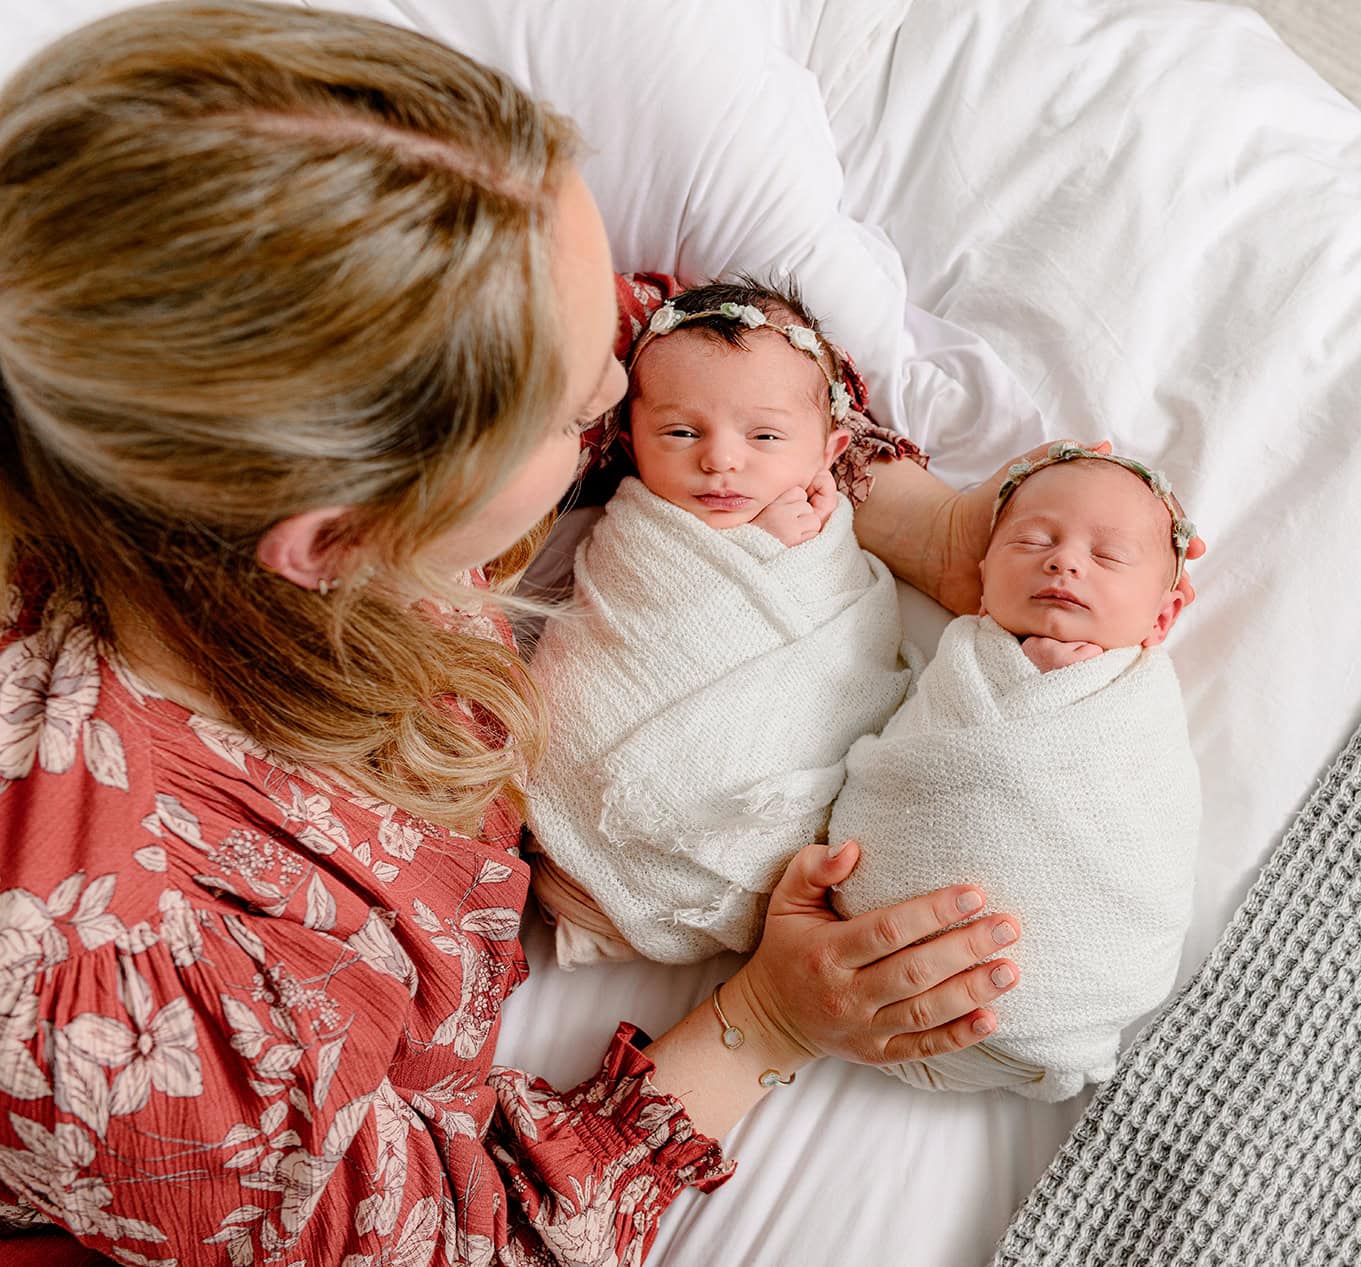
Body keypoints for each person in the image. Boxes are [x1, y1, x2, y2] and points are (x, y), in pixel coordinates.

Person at [0, 4, 1073, 1262]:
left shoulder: (180, 344)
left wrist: (915, 518)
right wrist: (765, 1024)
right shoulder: (117, 1004)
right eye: (573, 416)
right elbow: (467, 1239)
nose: (621, 381)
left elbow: (638, 344)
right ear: (340, 540)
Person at [525, 278, 915, 966]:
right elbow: (624, 635)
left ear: (828, 452)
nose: (721, 459)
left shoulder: (827, 550)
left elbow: (853, 669)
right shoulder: (635, 536)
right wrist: (756, 542)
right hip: (568, 845)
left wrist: (777, 549)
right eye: (681, 432)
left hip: (736, 875)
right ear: (631, 443)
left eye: (765, 435)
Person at [830, 446, 1203, 1101]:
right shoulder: (964, 660)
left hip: (1050, 1005)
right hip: (869, 973)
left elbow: (1149, 830)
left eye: (1109, 555)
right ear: (983, 579)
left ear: (1163, 616)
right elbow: (905, 767)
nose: (1064, 562)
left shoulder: (1138, 706)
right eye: (1032, 541)